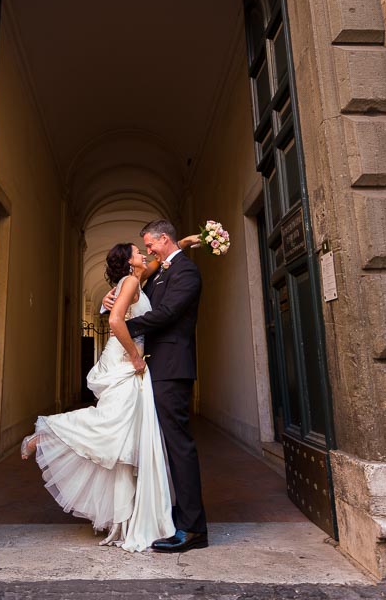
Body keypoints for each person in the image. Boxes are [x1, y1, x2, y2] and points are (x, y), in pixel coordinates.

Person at [20, 242, 175, 552]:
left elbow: (158, 263)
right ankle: (49, 433)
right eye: (138, 251)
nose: (144, 254)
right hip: (125, 359)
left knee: (123, 436)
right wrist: (135, 357)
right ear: (130, 262)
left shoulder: (134, 281)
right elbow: (116, 321)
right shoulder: (131, 281)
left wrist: (186, 242)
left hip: (126, 359)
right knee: (111, 424)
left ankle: (124, 518)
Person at [124, 219, 208, 553]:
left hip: (173, 368)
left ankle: (193, 528)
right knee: (165, 445)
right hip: (159, 366)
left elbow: (169, 313)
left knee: (179, 446)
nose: (148, 252)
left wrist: (124, 326)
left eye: (150, 245)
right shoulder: (164, 271)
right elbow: (148, 282)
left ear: (163, 238)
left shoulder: (186, 273)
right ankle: (179, 513)